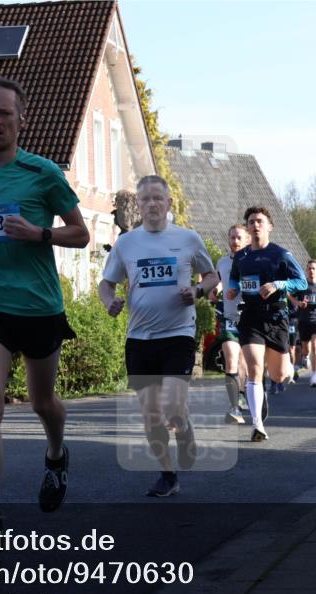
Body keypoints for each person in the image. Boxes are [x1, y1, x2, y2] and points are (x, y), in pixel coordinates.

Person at [0, 78, 90, 533]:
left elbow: (82, 233)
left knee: (42, 401)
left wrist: (39, 233)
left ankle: (55, 453)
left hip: (39, 304)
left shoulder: (43, 173)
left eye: (4, 113)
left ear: (20, 120)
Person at [99, 175, 217, 497]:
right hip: (139, 338)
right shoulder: (126, 244)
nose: (151, 204)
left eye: (157, 198)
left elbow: (211, 276)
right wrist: (110, 302)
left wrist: (196, 291)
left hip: (177, 333)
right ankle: (168, 475)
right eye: (145, 199)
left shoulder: (188, 238)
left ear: (168, 204)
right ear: (138, 205)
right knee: (151, 414)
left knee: (173, 406)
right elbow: (105, 283)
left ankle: (185, 429)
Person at [226, 207, 306, 441]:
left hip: (276, 317)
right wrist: (233, 288)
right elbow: (234, 276)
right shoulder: (241, 257)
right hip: (250, 316)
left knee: (279, 375)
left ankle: (287, 368)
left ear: (269, 226)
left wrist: (279, 285)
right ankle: (257, 425)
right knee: (254, 369)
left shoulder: (281, 254)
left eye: (260, 221)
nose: (255, 225)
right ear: (248, 228)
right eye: (251, 222)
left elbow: (301, 283)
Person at [213, 224, 250, 424]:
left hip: (249, 317)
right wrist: (215, 289)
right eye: (232, 237)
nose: (235, 241)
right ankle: (234, 406)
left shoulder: (253, 261)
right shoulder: (222, 262)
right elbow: (219, 281)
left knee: (244, 361)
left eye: (239, 238)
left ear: (246, 240)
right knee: (230, 359)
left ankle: (243, 392)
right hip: (228, 316)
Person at [293, 259, 316, 388]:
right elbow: (290, 294)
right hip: (303, 320)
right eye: (309, 268)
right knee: (306, 351)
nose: (311, 270)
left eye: (314, 268)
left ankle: (313, 378)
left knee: (315, 346)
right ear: (306, 270)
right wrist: (298, 303)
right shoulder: (302, 285)